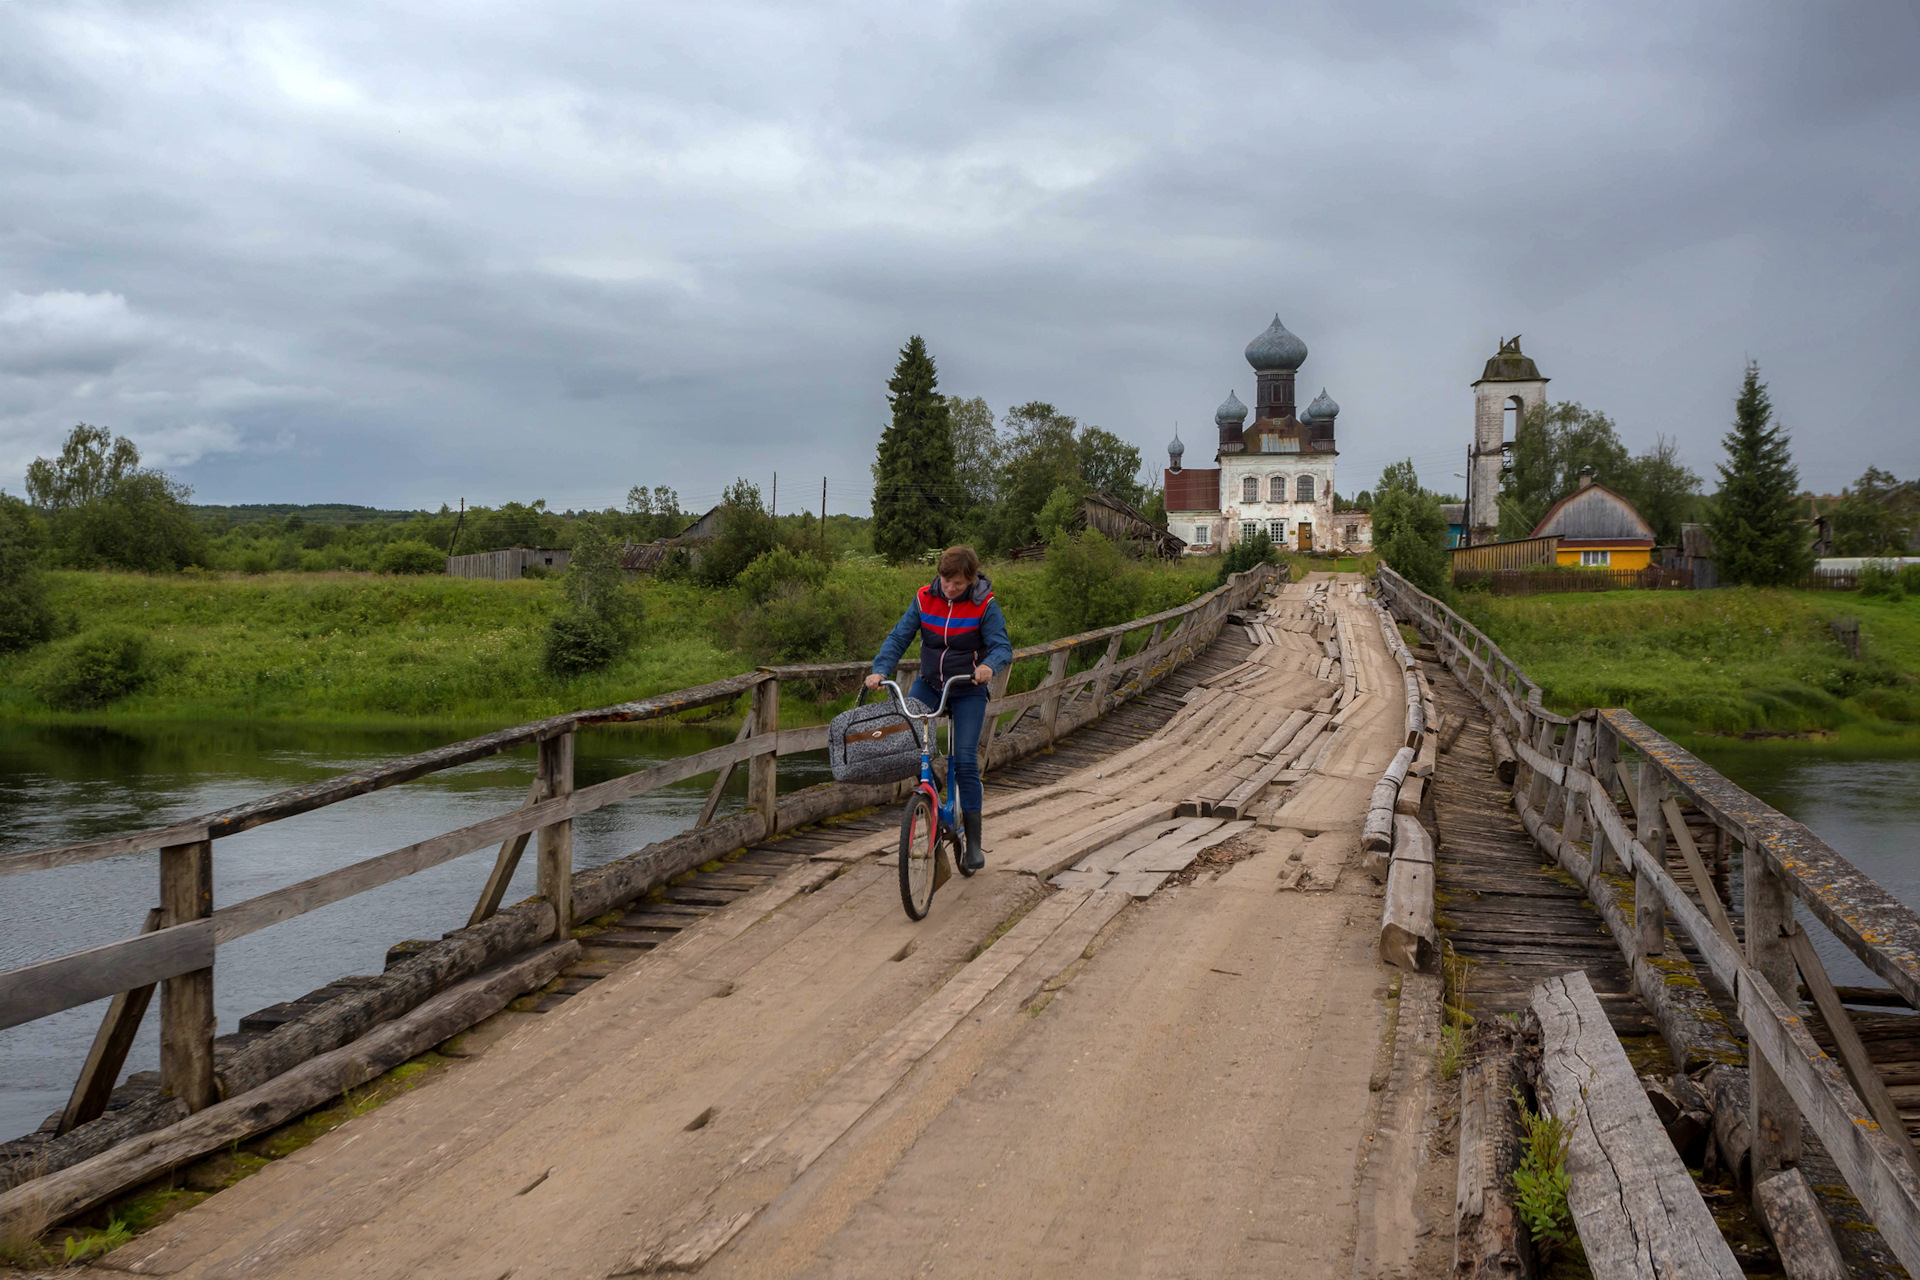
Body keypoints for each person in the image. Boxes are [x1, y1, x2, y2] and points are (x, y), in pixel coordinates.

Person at [866, 545, 1012, 871]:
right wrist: (880, 669)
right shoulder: (923, 598)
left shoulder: (984, 605)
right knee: (906, 741)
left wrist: (989, 665)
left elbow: (1002, 646)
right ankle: (930, 787)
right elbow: (898, 636)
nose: (950, 588)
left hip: (967, 689)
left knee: (965, 760)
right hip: (930, 684)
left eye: (957, 583)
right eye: (945, 580)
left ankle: (973, 843)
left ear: (971, 580)